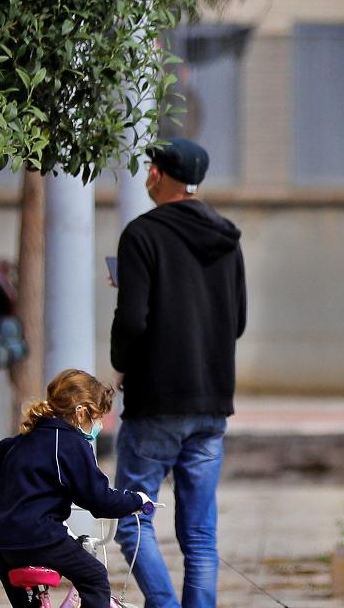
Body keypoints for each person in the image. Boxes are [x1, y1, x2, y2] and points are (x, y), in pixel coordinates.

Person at [111, 137, 247, 608]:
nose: (146, 175)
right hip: (212, 404)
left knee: (132, 521)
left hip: (156, 403)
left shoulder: (141, 236)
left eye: (151, 168)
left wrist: (120, 367)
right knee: (200, 535)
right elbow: (240, 321)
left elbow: (132, 319)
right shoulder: (227, 236)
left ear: (162, 176)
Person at [0, 368, 151, 608]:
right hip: (41, 539)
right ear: (81, 413)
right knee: (95, 578)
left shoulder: (25, 438)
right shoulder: (70, 442)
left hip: (3, 543)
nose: (99, 424)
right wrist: (137, 501)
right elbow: (98, 499)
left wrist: (9, 499)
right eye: (97, 416)